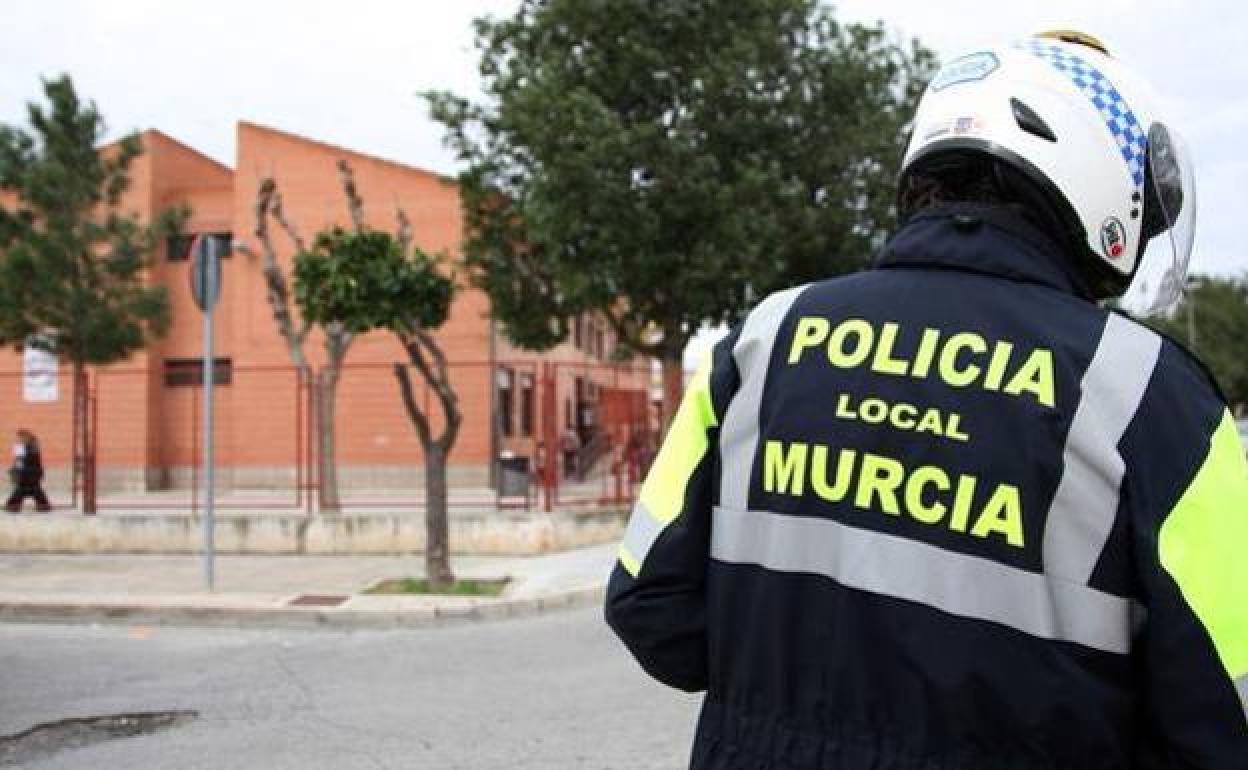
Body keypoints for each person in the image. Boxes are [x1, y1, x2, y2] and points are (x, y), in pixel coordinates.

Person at [605, 30, 1247, 769]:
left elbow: (650, 606)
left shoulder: (762, 340)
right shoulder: (1151, 397)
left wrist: (784, 688)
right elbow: (1225, 712)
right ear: (1098, 172)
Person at [6, 429, 51, 513]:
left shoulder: (30, 446)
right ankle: (43, 505)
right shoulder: (31, 445)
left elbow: (24, 459)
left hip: (31, 472)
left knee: (26, 488)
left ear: (24, 437)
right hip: (31, 472)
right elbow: (21, 460)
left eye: (19, 438)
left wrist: (19, 456)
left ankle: (13, 505)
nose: (17, 439)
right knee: (32, 488)